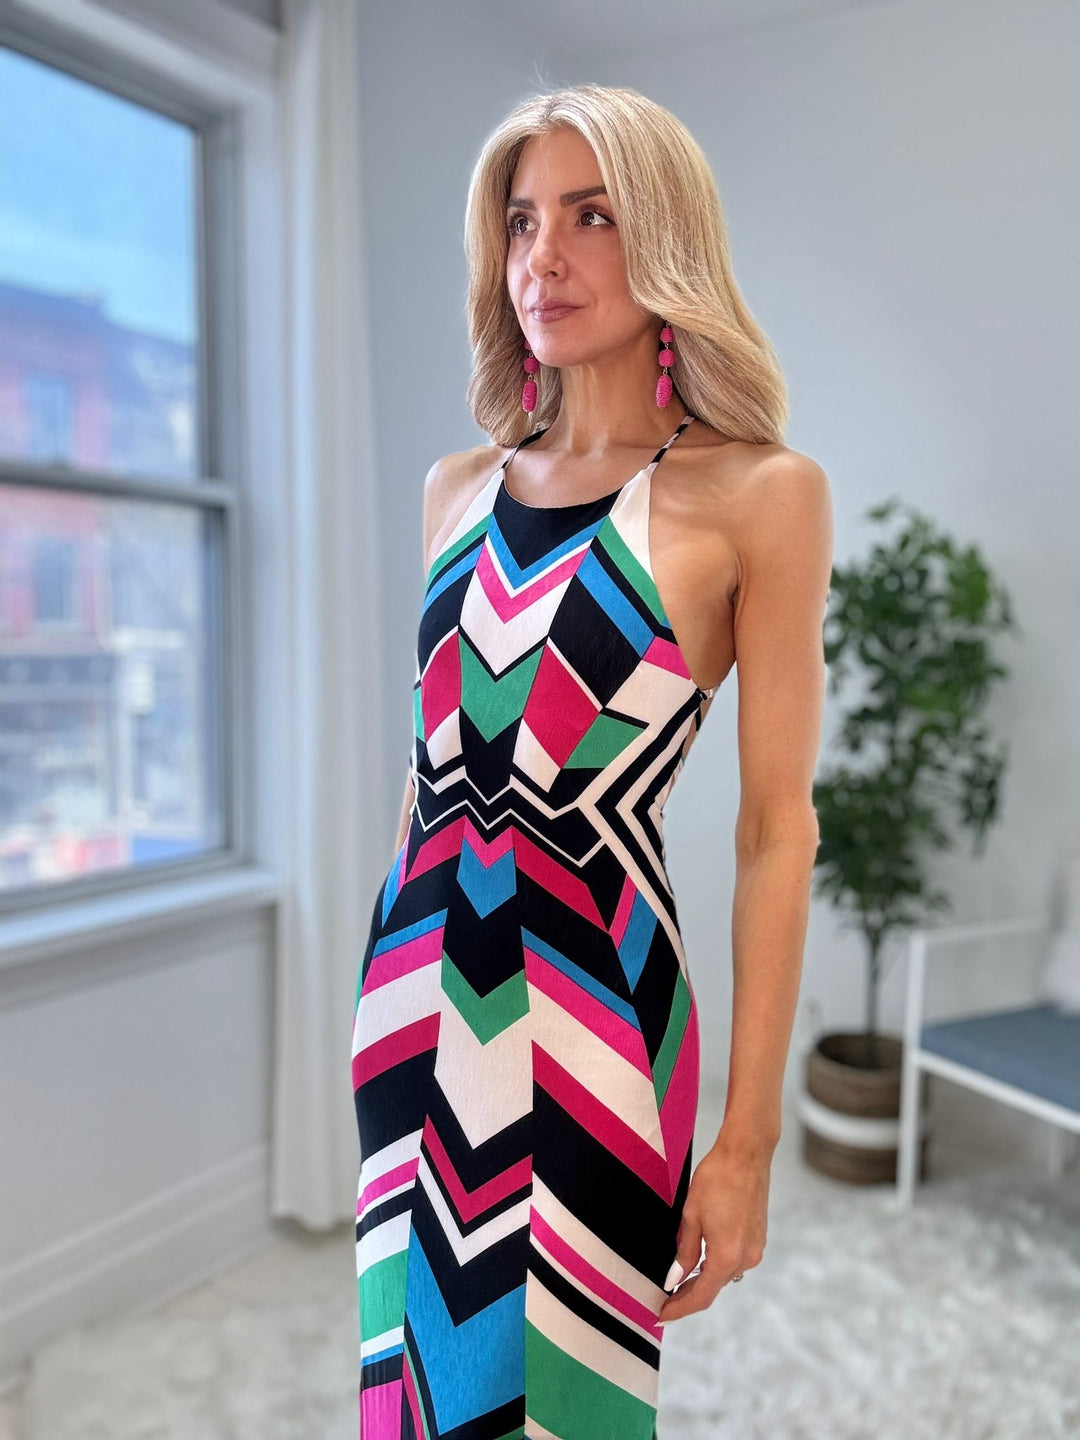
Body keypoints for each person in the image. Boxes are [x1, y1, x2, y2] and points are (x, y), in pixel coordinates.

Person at [351, 82, 832, 1439]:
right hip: (408, 997)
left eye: (591, 217)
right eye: (520, 222)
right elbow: (427, 768)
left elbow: (775, 831)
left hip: (596, 1012)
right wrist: (385, 976)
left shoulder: (759, 495)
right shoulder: (457, 487)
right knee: (407, 1387)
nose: (542, 259)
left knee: (568, 1404)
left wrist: (747, 1141)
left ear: (665, 236)